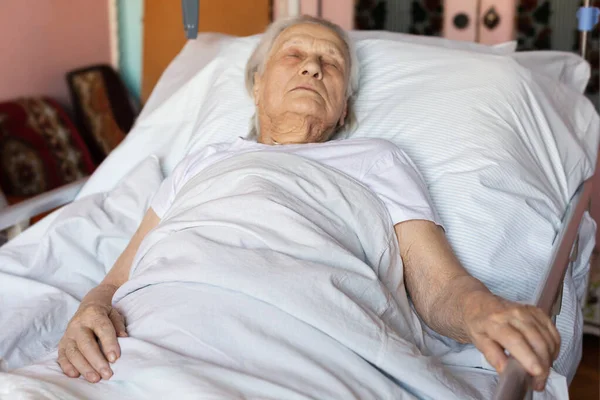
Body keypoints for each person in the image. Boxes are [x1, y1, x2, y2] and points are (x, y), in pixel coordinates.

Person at [57, 15, 559, 393]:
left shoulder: (378, 160)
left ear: (345, 108)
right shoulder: (205, 160)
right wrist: (89, 312)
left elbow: (438, 285)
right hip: (152, 334)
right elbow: (116, 281)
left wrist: (481, 311)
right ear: (257, 86)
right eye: (293, 54)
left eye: (332, 63)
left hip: (310, 336)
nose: (314, 67)